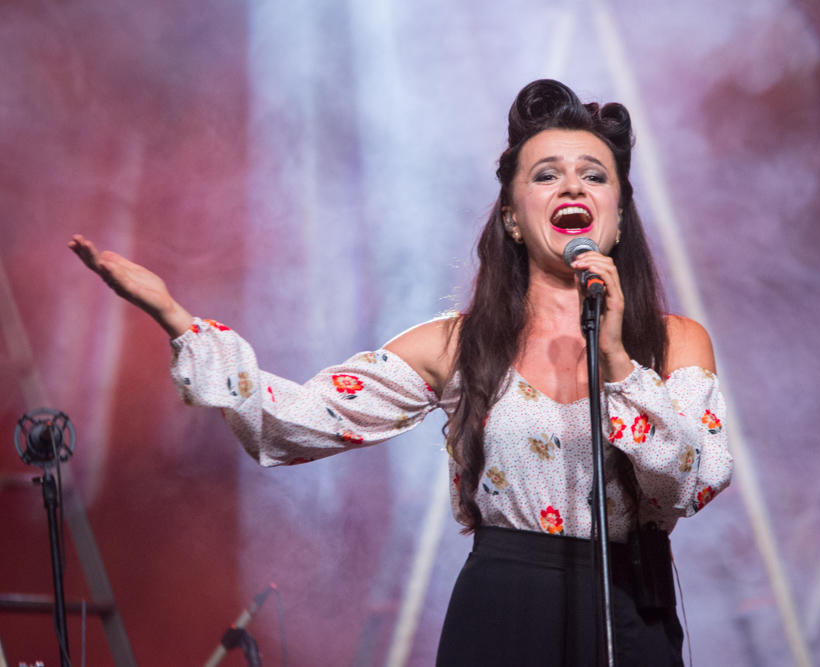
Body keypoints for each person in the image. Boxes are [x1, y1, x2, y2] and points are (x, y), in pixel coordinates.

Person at [69, 79, 732, 666]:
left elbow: (686, 485)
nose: (572, 186)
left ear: (618, 214)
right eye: (545, 174)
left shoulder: (675, 342)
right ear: (511, 217)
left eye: (594, 175)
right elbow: (291, 421)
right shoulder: (460, 344)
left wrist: (616, 361)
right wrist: (176, 318)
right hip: (505, 608)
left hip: (628, 607)